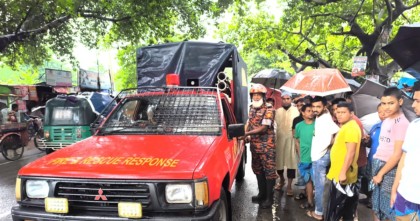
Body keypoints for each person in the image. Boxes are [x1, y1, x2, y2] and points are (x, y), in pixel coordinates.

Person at [372, 87, 410, 221]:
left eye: (391, 103)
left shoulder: (402, 123)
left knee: (388, 207)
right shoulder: (387, 120)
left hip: (389, 169)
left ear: (400, 101)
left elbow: (397, 154)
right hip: (378, 164)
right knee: (376, 204)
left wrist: (381, 173)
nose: (386, 107)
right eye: (383, 103)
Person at [324, 102, 361, 221]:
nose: (339, 115)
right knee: (341, 209)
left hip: (342, 174)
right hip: (338, 172)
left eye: (343, 112)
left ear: (351, 114)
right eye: (337, 112)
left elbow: (351, 152)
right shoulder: (345, 126)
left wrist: (343, 172)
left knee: (338, 209)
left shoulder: (351, 128)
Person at [390, 81, 420, 221]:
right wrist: (395, 188)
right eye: (414, 100)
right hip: (404, 193)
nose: (413, 105)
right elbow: (404, 158)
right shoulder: (414, 126)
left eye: (418, 101)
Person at [306, 96, 340, 221]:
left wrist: (330, 146)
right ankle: (322, 210)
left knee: (319, 187)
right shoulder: (320, 116)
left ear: (324, 107)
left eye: (318, 107)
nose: (315, 109)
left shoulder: (325, 118)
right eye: (313, 107)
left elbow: (338, 132)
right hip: (318, 155)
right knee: (319, 186)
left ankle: (319, 213)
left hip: (321, 156)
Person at [244, 84, 277, 209]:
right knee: (258, 170)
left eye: (258, 94)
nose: (256, 97)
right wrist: (245, 135)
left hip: (267, 147)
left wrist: (246, 133)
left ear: (263, 96)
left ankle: (269, 198)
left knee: (269, 172)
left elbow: (264, 128)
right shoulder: (251, 108)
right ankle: (261, 194)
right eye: (254, 95)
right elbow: (249, 123)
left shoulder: (269, 109)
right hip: (255, 147)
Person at [274, 91, 300, 196]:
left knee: (291, 163)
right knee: (278, 164)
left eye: (288, 98)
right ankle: (281, 180)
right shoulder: (277, 111)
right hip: (279, 140)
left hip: (291, 140)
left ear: (291, 99)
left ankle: (289, 185)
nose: (285, 101)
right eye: (283, 99)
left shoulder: (296, 111)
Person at [361, 104, 386, 208]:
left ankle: (377, 203)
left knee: (380, 183)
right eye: (380, 112)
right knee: (370, 180)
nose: (383, 114)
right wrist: (367, 141)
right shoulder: (376, 126)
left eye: (385, 111)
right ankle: (370, 199)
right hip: (372, 159)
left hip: (383, 162)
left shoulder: (393, 129)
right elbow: (371, 143)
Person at [294, 104, 315, 209]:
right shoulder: (299, 126)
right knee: (308, 180)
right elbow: (297, 140)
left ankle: (320, 205)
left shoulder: (318, 124)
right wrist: (299, 153)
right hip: (305, 156)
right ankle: (310, 201)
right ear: (303, 112)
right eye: (308, 110)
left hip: (317, 156)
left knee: (317, 181)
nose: (311, 112)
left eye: (312, 110)